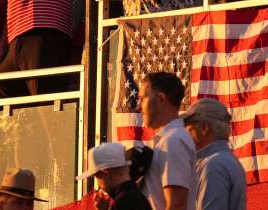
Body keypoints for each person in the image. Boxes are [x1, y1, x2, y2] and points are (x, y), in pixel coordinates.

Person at [138, 71, 195, 210]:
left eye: (143, 98)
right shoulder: (167, 140)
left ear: (161, 98)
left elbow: (177, 204)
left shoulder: (173, 141)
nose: (139, 106)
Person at [181, 98, 247, 210]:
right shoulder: (224, 160)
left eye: (188, 126)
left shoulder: (213, 166)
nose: (185, 132)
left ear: (204, 128)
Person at [78, 142, 152, 209]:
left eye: (97, 176)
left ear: (105, 172)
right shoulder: (137, 197)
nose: (98, 185)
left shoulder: (123, 202)